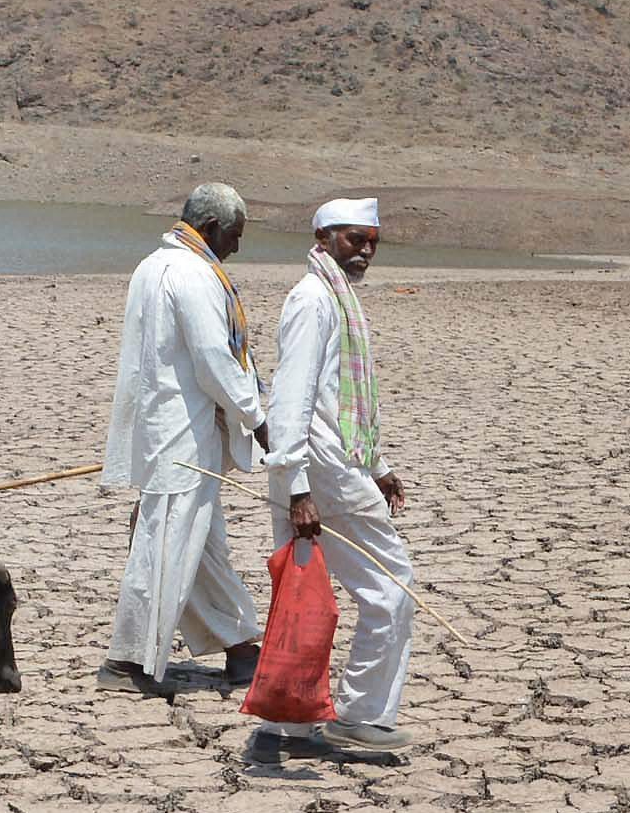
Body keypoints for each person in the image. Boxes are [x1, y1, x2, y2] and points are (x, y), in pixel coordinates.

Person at [99, 182, 266, 696]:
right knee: (165, 545)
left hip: (171, 429)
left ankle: (241, 648)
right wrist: (258, 418)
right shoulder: (192, 274)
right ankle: (127, 661)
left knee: (203, 546)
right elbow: (215, 362)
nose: (237, 247)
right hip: (181, 437)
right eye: (234, 235)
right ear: (212, 228)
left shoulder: (153, 265)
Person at [264, 196, 414, 751]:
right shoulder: (313, 300)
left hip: (329, 466)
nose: (366, 251)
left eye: (373, 241)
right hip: (319, 470)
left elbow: (340, 399)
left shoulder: (337, 298)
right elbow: (291, 398)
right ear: (324, 238)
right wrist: (297, 488)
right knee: (392, 587)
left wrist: (379, 466)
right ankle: (360, 713)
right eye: (355, 239)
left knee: (304, 594)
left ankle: (288, 725)